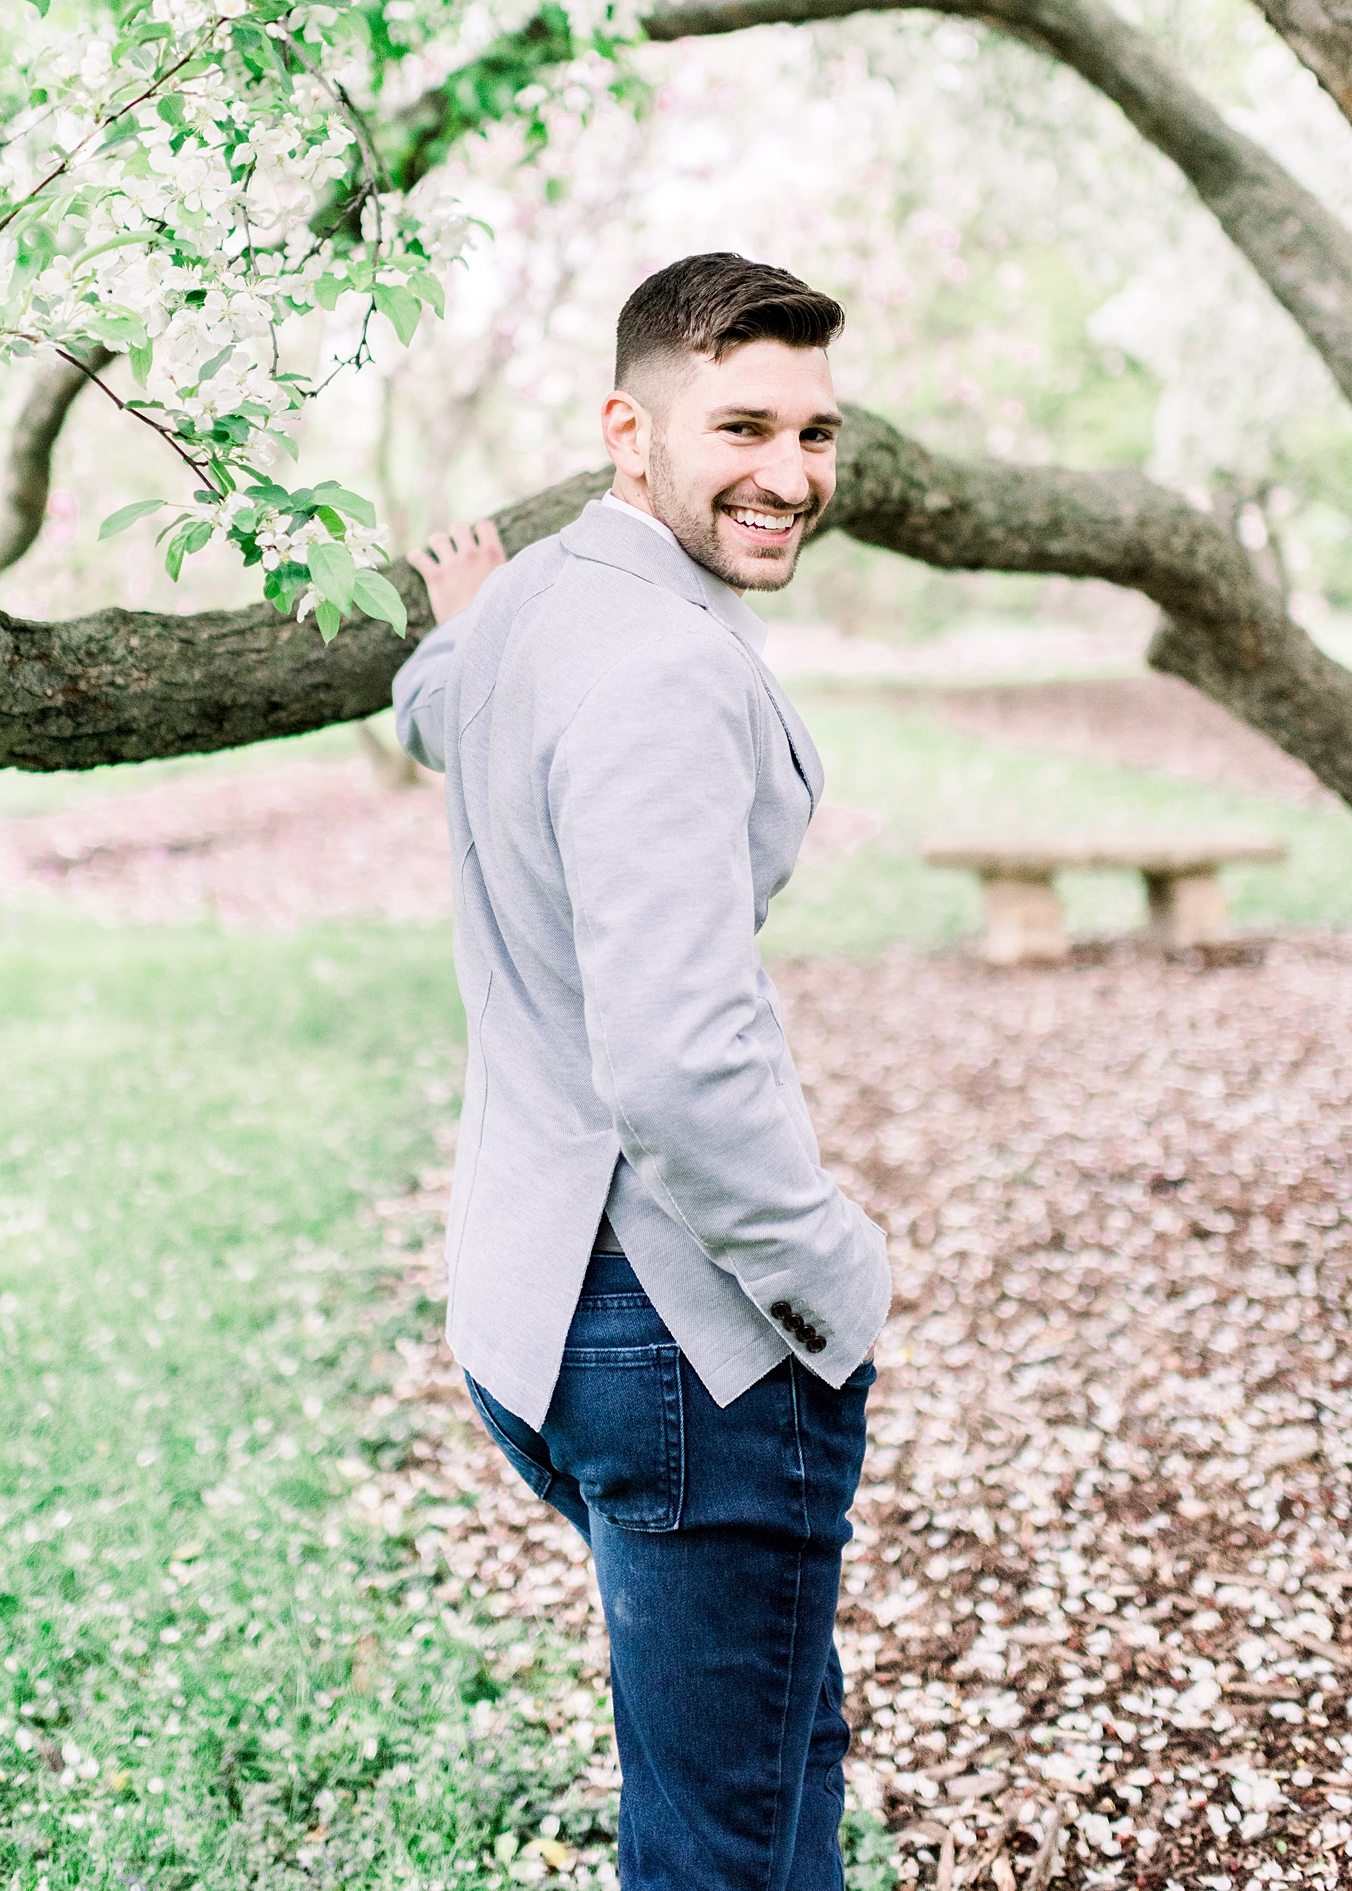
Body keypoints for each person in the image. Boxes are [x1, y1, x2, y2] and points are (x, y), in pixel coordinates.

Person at [392, 251, 891, 1891]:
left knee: (764, 1753)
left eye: (815, 433)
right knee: (722, 1845)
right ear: (628, 429)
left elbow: (443, 715)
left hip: (537, 1314)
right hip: (688, 1346)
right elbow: (678, 1068)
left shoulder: (532, 602)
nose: (790, 475)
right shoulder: (669, 667)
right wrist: (828, 1276)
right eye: (740, 424)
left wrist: (454, 637)